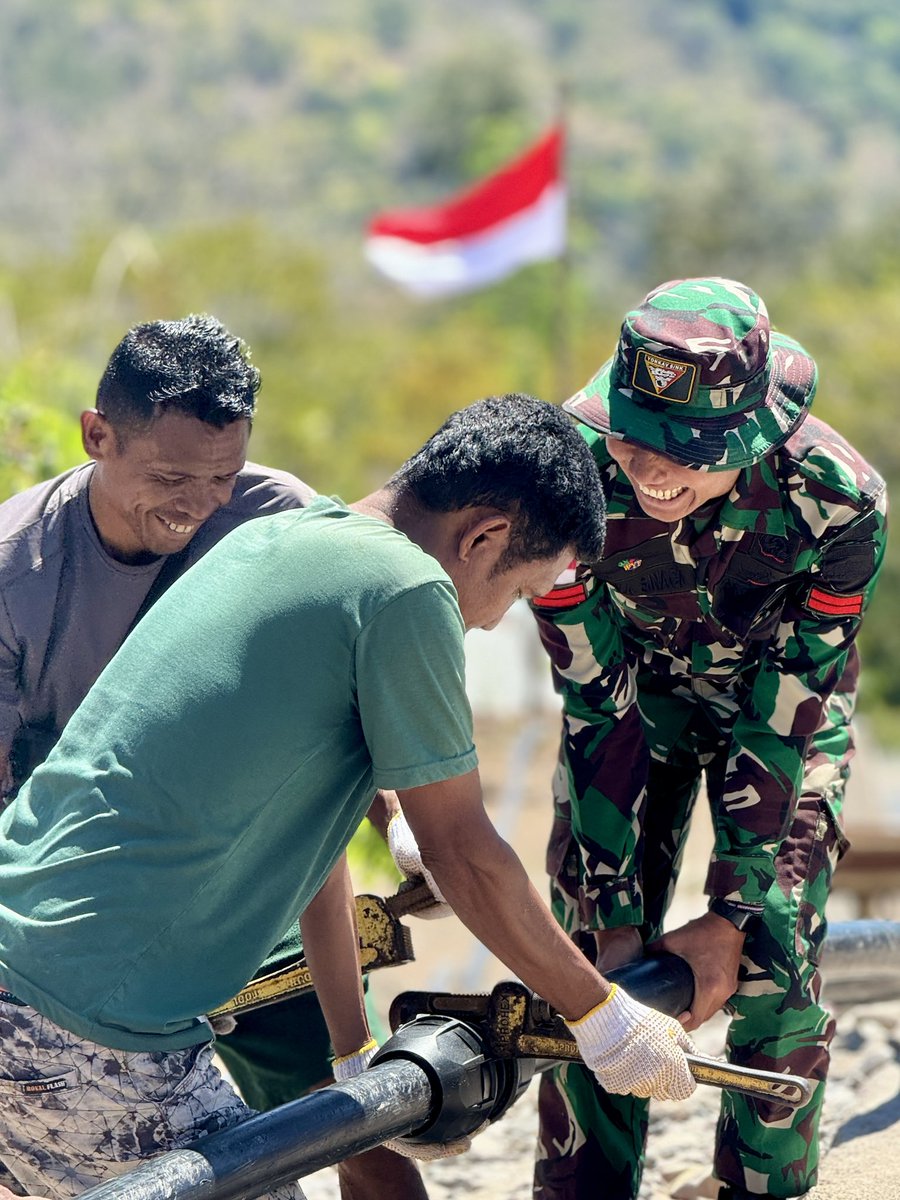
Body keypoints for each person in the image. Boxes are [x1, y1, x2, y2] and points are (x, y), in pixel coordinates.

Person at [0, 393, 698, 1200]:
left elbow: (311, 848)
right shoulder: (406, 591)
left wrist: (351, 1055)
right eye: (516, 595)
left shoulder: (273, 538)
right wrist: (604, 1017)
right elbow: (463, 852)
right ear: (484, 538)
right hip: (84, 1037)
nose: (493, 620)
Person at [529, 278, 887, 1200]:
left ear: (756, 436)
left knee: (774, 947)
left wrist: (727, 915)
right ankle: (584, 1188)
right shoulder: (559, 481)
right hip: (632, 699)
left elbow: (787, 713)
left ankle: (763, 1186)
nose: (654, 469)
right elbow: (594, 700)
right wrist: (610, 923)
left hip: (775, 705)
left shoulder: (838, 504)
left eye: (689, 453)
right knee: (586, 967)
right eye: (636, 436)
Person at [0, 313, 370, 1191]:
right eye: (168, 476)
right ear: (96, 436)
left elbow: (349, 689)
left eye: (220, 477)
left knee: (354, 1115)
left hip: (244, 882)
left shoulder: (275, 517)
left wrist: (398, 823)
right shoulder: (16, 577)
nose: (196, 503)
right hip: (74, 923)